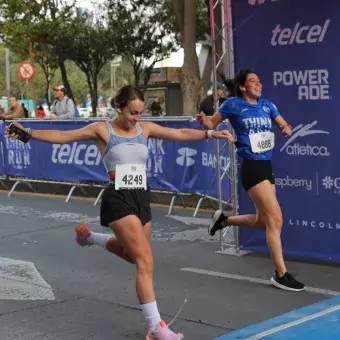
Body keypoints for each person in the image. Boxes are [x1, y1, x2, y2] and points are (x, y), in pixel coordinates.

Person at [6, 85, 233, 340]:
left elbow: (178, 133)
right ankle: (156, 327)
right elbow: (62, 135)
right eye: (132, 113)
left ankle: (88, 237)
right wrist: (28, 133)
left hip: (141, 196)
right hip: (118, 197)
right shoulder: (102, 129)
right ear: (119, 107)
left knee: (134, 256)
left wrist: (211, 134)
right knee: (146, 258)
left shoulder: (144, 129)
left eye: (139, 112)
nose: (136, 118)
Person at [197, 69, 305, 292]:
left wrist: (285, 128)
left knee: (263, 221)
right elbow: (211, 124)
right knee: (276, 220)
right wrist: (204, 120)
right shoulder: (233, 105)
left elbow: (283, 124)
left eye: (259, 81)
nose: (258, 84)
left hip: (266, 166)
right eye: (253, 81)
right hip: (251, 166)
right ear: (243, 87)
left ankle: (224, 221)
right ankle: (281, 274)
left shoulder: (267, 105)